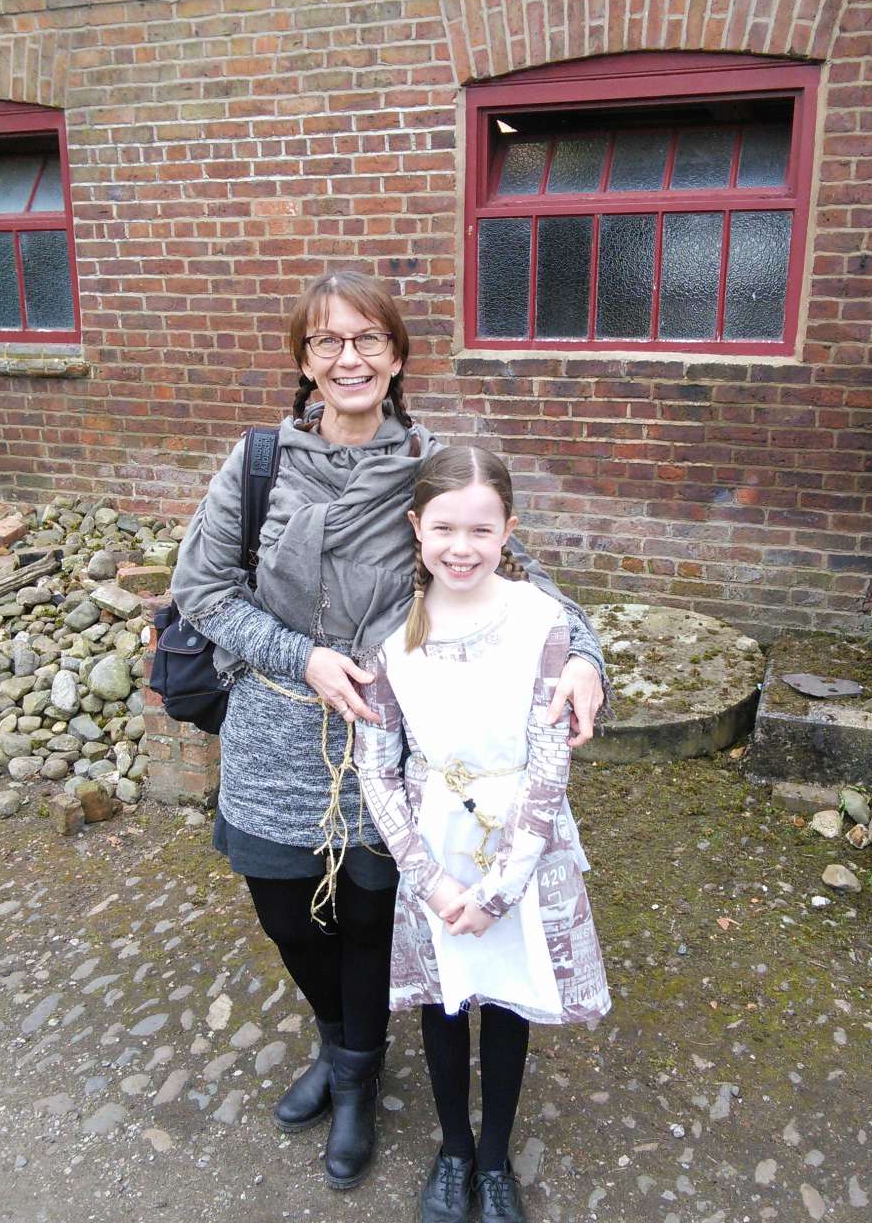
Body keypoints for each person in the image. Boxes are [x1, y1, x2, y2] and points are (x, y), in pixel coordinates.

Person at [170, 271, 609, 1191]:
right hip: (275, 730)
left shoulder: (427, 466)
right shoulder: (258, 462)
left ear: (398, 357)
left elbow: (524, 578)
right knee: (288, 915)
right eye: (327, 342)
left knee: (370, 917)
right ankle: (336, 1045)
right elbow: (203, 591)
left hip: (390, 738)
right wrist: (302, 657)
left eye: (369, 339)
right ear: (303, 362)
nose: (349, 359)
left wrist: (585, 659)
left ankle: (359, 1077)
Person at [355, 445, 611, 1223]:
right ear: (416, 528)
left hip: (518, 846)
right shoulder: (391, 636)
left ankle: (495, 1155)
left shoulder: (542, 623)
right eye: (443, 529)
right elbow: (377, 765)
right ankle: (455, 1149)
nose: (460, 547)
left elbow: (549, 766)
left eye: (480, 529)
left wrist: (501, 889)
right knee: (444, 1003)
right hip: (432, 841)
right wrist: (430, 882)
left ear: (509, 529)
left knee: (503, 1002)